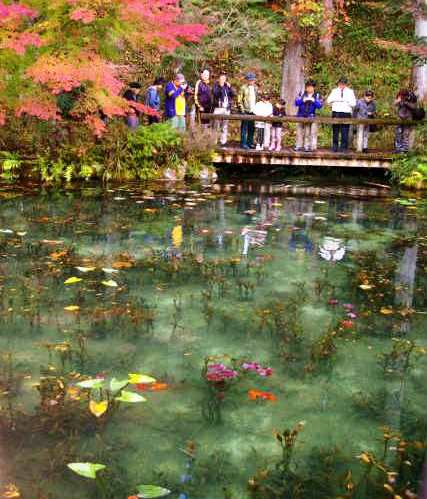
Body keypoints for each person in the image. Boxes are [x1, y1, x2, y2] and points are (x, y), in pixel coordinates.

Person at [327, 77, 356, 152]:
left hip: (346, 112)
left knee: (345, 131)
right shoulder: (334, 91)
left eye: (343, 83)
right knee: (335, 130)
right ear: (338, 83)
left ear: (346, 84)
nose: (342, 85)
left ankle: (343, 147)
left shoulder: (350, 92)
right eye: (340, 83)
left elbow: (353, 103)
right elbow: (328, 100)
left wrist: (346, 101)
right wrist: (337, 99)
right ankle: (335, 146)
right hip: (336, 112)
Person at [294, 79, 323, 152]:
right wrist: (303, 100)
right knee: (299, 132)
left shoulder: (317, 95)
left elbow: (320, 106)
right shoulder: (302, 93)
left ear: (314, 87)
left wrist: (314, 100)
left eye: (311, 87)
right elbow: (296, 103)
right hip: (300, 115)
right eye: (307, 87)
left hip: (310, 116)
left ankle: (306, 146)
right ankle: (298, 146)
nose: (309, 88)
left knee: (307, 132)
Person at [212, 73, 235, 146]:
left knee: (224, 126)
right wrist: (221, 87)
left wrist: (230, 87)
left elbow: (233, 94)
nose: (222, 80)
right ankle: (214, 141)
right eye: (221, 79)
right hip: (218, 108)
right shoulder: (216, 86)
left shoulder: (227, 86)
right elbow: (215, 94)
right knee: (216, 126)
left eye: (224, 79)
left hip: (226, 108)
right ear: (219, 79)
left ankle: (223, 141)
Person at [238, 72, 257, 149]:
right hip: (245, 110)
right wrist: (242, 110)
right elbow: (239, 100)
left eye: (252, 80)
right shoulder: (243, 88)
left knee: (251, 128)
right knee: (244, 128)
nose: (251, 81)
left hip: (253, 111)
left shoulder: (255, 88)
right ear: (247, 80)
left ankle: (250, 143)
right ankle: (243, 143)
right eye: (249, 80)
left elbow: (256, 99)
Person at [395, 89, 417, 153]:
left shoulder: (411, 98)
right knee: (398, 133)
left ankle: (405, 150)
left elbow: (414, 107)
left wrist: (406, 102)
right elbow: (394, 103)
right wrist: (398, 101)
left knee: (406, 134)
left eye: (403, 96)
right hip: (400, 118)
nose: (402, 97)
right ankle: (399, 149)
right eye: (401, 96)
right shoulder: (399, 98)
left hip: (408, 119)